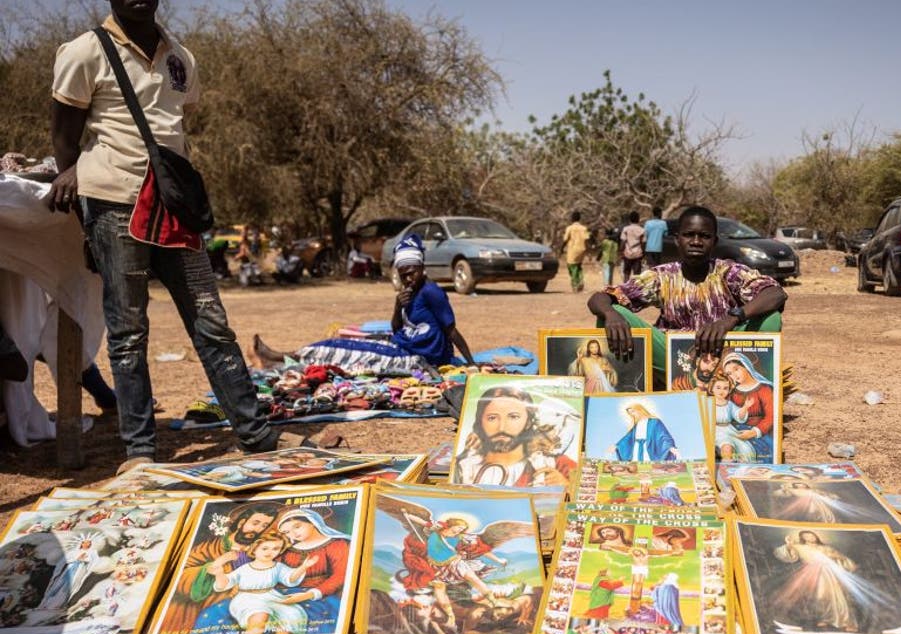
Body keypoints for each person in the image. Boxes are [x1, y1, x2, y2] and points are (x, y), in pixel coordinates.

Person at [49, 0, 294, 471]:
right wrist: (74, 183)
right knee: (128, 332)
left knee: (212, 324)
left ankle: (256, 437)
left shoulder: (181, 57)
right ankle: (140, 453)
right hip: (114, 203)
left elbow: (176, 125)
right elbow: (64, 134)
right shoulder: (83, 52)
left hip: (173, 209)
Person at [589, 206, 787, 377]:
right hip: (672, 358)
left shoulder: (729, 271)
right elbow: (599, 298)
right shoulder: (662, 276)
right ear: (677, 240)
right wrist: (610, 313)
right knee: (611, 314)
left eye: (704, 236)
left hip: (723, 357)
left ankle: (735, 386)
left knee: (770, 318)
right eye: (689, 235)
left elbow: (775, 293)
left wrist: (731, 319)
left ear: (715, 242)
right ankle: (636, 386)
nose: (696, 241)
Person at [251, 235, 474, 372]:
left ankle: (278, 358)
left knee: (340, 354)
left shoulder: (431, 292)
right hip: (404, 345)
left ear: (421, 267)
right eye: (403, 274)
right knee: (339, 343)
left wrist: (471, 363)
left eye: (412, 272)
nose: (408, 278)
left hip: (420, 358)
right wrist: (398, 306)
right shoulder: (409, 292)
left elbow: (451, 330)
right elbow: (398, 328)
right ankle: (281, 356)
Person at [152, 502, 281, 634]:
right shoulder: (210, 548)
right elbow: (180, 576)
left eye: (264, 526)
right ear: (241, 523)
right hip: (211, 605)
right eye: (255, 523)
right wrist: (216, 564)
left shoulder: (261, 549)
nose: (258, 530)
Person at [453, 385, 576, 487]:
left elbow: (586, 501)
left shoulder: (557, 464)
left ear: (528, 422)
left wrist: (567, 486)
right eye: (492, 418)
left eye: (513, 417)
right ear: (480, 421)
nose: (502, 427)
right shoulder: (463, 467)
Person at [208, 532, 316, 634]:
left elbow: (290, 579)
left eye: (276, 549)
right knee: (260, 613)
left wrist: (304, 567)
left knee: (291, 614)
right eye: (265, 548)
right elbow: (224, 584)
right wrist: (219, 574)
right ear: (255, 549)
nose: (270, 552)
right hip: (246, 599)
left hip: (270, 597)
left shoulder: (278, 567)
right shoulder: (245, 568)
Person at [608, 403, 679, 462]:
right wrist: (617, 446)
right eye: (630, 413)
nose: (633, 414)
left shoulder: (654, 422)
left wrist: (670, 447)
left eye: (633, 411)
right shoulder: (636, 425)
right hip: (636, 448)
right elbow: (627, 438)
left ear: (640, 410)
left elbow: (663, 435)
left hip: (648, 448)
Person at [709, 374, 754, 462]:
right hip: (712, 431)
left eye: (725, 388)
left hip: (728, 430)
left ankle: (732, 469)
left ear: (729, 390)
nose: (721, 391)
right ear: (712, 388)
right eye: (718, 387)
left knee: (744, 449)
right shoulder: (707, 402)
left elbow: (739, 416)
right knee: (727, 446)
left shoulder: (729, 404)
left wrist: (745, 407)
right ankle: (725, 468)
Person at [562, 211, 590, 293]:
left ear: (572, 218)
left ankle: (575, 284)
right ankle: (580, 280)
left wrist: (561, 248)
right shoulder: (584, 228)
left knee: (572, 266)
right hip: (582, 249)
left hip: (572, 249)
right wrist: (588, 250)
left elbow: (565, 239)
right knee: (578, 266)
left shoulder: (569, 228)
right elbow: (587, 239)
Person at [619, 211, 645, 282]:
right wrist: (644, 253)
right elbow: (642, 243)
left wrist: (621, 252)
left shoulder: (626, 229)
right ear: (638, 219)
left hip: (627, 254)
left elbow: (623, 242)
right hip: (638, 254)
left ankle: (626, 290)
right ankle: (635, 291)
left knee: (626, 273)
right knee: (637, 275)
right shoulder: (641, 230)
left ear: (630, 219)